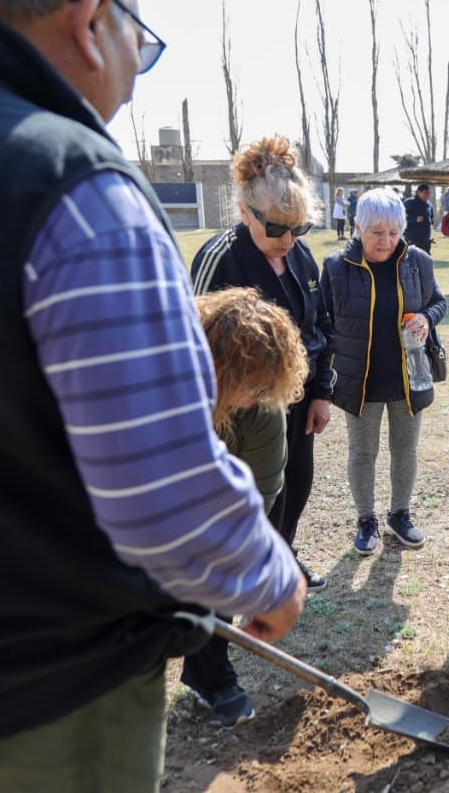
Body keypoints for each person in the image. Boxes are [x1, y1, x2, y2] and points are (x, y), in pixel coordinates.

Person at [0, 0, 305, 790]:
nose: (135, 79)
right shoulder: (70, 182)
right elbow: (162, 488)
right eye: (145, 42)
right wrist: (270, 576)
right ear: (94, 14)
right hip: (38, 705)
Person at [192, 135, 336, 593]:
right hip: (242, 408)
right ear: (244, 212)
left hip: (297, 399)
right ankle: (244, 571)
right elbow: (194, 339)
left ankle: (282, 558)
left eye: (298, 229)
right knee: (254, 494)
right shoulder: (220, 258)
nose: (287, 240)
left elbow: (320, 326)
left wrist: (321, 393)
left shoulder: (301, 256)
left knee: (296, 484)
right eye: (275, 229)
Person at [180, 288, 310, 727]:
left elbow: (255, 507)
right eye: (251, 385)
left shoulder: (261, 410)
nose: (258, 397)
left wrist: (259, 576)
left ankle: (209, 677)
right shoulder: (171, 391)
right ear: (220, 369)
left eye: (265, 388)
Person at [321, 189, 447, 555]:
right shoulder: (336, 266)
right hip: (359, 379)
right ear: (358, 227)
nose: (386, 241)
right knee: (363, 452)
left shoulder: (418, 261)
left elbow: (438, 302)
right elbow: (321, 320)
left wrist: (426, 317)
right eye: (377, 232)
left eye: (394, 232)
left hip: (409, 375)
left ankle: (400, 514)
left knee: (405, 450)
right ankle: (366, 519)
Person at [404, 182, 435, 254]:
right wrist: (414, 219)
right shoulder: (409, 202)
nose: (427, 195)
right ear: (418, 192)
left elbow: (431, 218)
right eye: (425, 193)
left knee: (425, 262)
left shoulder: (429, 204)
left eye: (428, 193)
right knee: (413, 262)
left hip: (426, 240)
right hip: (413, 240)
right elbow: (401, 217)